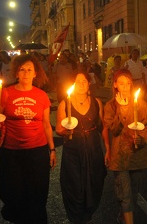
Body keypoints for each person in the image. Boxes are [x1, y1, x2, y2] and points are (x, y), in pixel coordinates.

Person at [0, 54, 56, 223]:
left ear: (36, 73)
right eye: (22, 69)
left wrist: (52, 149)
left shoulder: (42, 96)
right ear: (16, 72)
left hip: (37, 152)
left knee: (37, 191)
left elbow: (47, 125)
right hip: (12, 153)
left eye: (29, 70)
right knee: (14, 191)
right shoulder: (6, 93)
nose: (25, 73)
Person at [55, 71, 109, 224]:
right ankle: (76, 218)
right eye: (78, 81)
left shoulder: (97, 102)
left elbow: (102, 127)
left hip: (93, 150)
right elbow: (59, 128)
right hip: (73, 152)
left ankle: (88, 215)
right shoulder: (65, 103)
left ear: (88, 84)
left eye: (84, 81)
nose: (81, 84)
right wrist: (67, 130)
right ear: (73, 84)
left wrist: (108, 148)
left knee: (95, 183)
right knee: (74, 186)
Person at [103, 69, 147, 224]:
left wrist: (142, 137)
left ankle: (122, 215)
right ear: (115, 85)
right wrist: (122, 109)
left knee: (134, 192)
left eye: (128, 83)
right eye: (121, 83)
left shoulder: (141, 104)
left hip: (137, 155)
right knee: (125, 194)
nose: (125, 87)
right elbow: (114, 129)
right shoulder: (110, 106)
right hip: (120, 157)